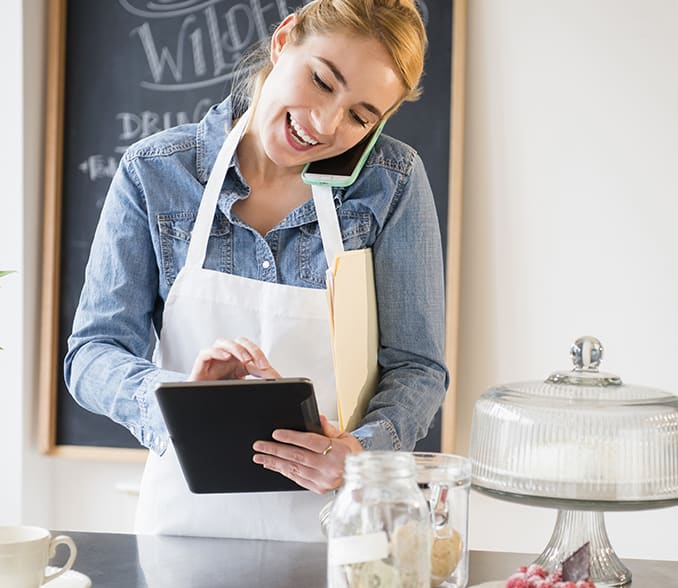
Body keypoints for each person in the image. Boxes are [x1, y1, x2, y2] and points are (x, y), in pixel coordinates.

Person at [65, 0, 448, 541]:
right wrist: (180, 404)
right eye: (321, 80)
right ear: (284, 38)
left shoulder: (393, 181)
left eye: (362, 115)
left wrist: (359, 454)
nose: (324, 124)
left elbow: (418, 367)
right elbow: (91, 354)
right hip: (188, 531)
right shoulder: (155, 171)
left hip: (342, 530)